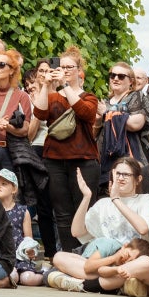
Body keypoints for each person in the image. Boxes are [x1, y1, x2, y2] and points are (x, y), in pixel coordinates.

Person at [48, 156, 149, 295]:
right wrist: (86, 197)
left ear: (138, 179)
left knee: (146, 263)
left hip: (135, 262)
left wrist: (116, 199)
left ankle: (86, 285)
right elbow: (76, 232)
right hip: (107, 267)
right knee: (59, 257)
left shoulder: (146, 200)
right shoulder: (103, 204)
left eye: (126, 174)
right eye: (117, 173)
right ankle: (120, 285)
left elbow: (143, 229)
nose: (120, 178)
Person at [35, 47, 101, 251]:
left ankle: (87, 257)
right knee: (62, 213)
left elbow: (85, 113)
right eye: (60, 67)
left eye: (69, 67)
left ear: (79, 70)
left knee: (84, 211)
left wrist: (65, 85)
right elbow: (39, 112)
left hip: (84, 160)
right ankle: (68, 256)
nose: (63, 70)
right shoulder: (54, 96)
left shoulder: (89, 97)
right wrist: (46, 86)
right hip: (55, 160)